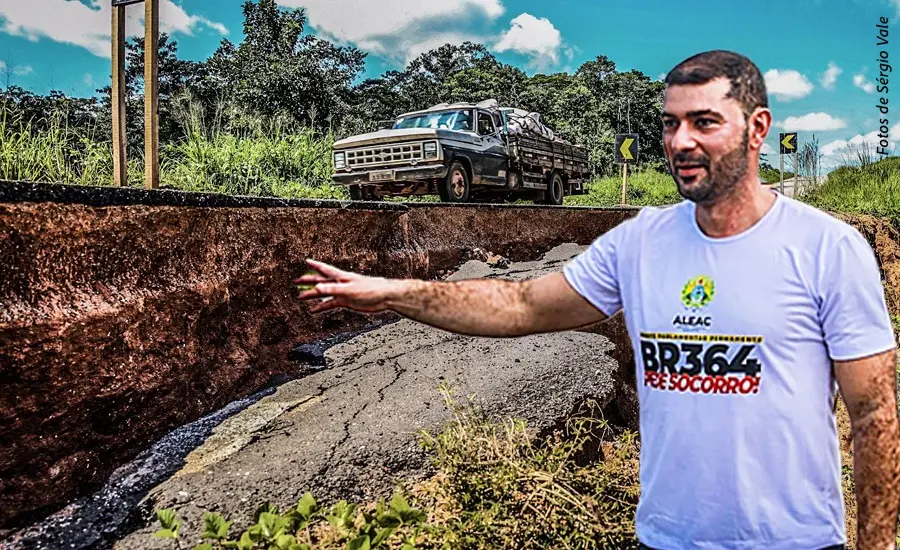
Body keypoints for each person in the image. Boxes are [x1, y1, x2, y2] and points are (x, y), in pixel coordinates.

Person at [295, 50, 900, 550]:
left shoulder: (827, 248)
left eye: (705, 122)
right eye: (671, 123)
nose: (681, 141)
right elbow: (522, 305)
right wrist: (396, 293)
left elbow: (874, 414)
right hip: (666, 539)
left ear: (758, 129)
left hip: (792, 541)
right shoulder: (640, 243)